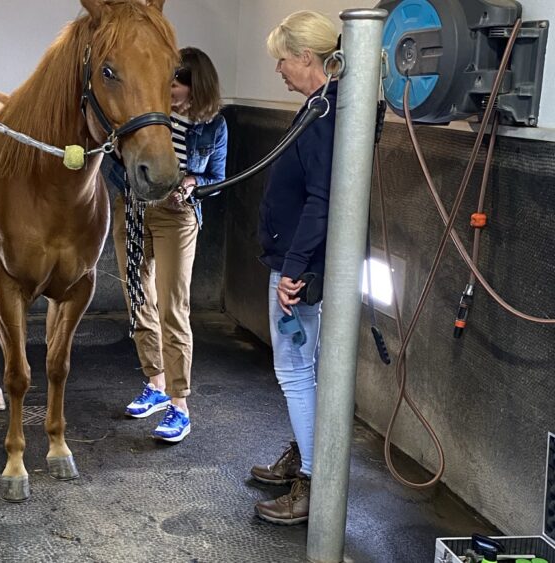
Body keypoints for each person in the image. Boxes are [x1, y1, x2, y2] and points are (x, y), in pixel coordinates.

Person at [103, 46, 228, 443]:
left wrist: (192, 184)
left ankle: (180, 407)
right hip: (135, 211)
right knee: (138, 298)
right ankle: (155, 384)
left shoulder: (214, 126)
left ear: (196, 87)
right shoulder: (146, 113)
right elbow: (113, 161)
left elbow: (218, 178)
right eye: (168, 81)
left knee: (173, 307)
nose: (168, 88)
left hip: (177, 217)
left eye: (175, 83)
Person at [251, 10, 339, 525]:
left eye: (283, 60)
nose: (279, 70)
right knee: (304, 369)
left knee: (295, 371)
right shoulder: (320, 108)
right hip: (297, 258)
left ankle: (311, 481)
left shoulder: (324, 114)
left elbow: (321, 199)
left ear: (307, 57)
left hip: (297, 265)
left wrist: (293, 269)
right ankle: (306, 460)